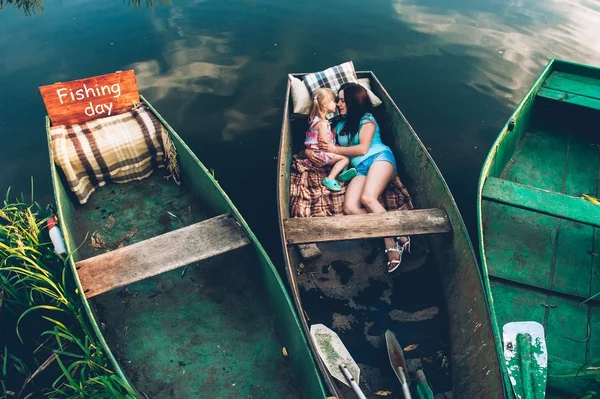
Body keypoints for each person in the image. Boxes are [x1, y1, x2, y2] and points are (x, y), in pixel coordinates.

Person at [305, 83, 410, 273]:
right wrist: (308, 150)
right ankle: (392, 229)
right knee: (350, 207)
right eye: (337, 100)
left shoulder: (367, 119)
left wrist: (336, 149)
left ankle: (392, 241)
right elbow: (320, 142)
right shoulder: (338, 124)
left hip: (379, 159)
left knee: (367, 198)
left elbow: (362, 148)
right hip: (360, 168)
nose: (338, 104)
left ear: (353, 102)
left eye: (343, 100)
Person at [304, 88, 357, 192]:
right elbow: (323, 144)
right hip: (321, 153)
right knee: (345, 159)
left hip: (318, 151)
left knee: (344, 156)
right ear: (324, 104)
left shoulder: (318, 120)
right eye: (333, 101)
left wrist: (330, 132)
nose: (336, 103)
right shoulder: (322, 124)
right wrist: (332, 138)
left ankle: (342, 175)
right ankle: (330, 178)